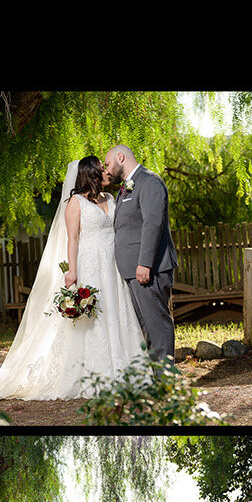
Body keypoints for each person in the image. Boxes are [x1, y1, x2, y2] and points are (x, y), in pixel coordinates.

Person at [0, 156, 151, 402]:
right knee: (95, 316)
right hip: (90, 264)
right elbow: (72, 239)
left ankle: (126, 369)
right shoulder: (76, 203)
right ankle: (94, 372)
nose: (106, 171)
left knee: (116, 311)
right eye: (101, 168)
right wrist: (72, 271)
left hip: (112, 265)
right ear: (91, 174)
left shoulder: (111, 199)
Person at [103, 145, 179, 372]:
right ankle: (157, 376)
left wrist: (144, 263)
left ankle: (165, 378)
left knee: (156, 323)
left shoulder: (149, 182)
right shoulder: (126, 188)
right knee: (146, 325)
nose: (107, 170)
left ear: (120, 157)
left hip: (149, 269)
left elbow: (153, 223)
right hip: (133, 269)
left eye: (108, 164)